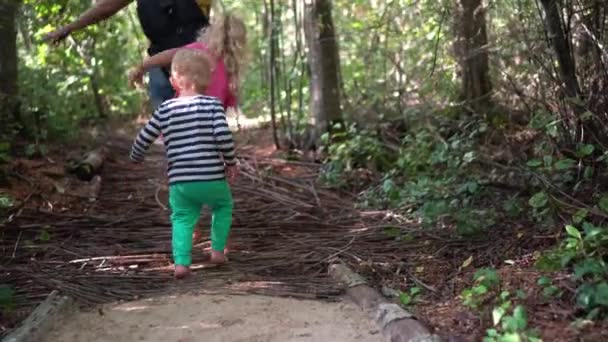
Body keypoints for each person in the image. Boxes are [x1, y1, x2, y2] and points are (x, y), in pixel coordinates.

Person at [129, 48, 237, 279]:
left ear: (174, 81)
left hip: (180, 183)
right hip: (212, 179)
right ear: (207, 81)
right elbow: (223, 135)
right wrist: (230, 162)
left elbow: (145, 136)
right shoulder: (212, 105)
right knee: (223, 206)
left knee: (182, 217)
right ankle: (217, 250)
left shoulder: (165, 109)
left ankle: (181, 264)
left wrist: (136, 156)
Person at [44, 0, 212, 109]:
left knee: (201, 118)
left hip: (197, 61)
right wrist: (69, 28)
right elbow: (105, 8)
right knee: (168, 122)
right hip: (160, 63)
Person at [128, 13, 248, 111]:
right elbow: (229, 103)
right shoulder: (231, 68)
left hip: (181, 117)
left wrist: (142, 67)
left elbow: (167, 55)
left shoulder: (198, 49)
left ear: (212, 32)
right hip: (208, 128)